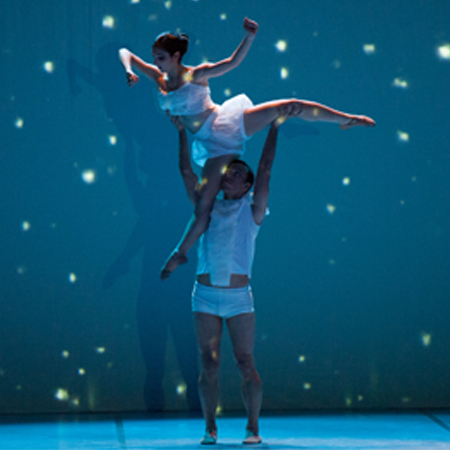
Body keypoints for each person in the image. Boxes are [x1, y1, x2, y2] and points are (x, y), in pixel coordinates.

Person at [118, 17, 376, 279]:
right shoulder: (159, 78)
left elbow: (231, 62)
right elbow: (125, 53)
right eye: (154, 57)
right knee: (203, 204)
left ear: (176, 56)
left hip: (224, 123)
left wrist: (249, 37)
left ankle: (346, 119)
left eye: (161, 58)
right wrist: (129, 70)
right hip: (212, 142)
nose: (156, 62)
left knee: (287, 105)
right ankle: (180, 252)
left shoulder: (195, 75)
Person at [167, 106, 292, 444]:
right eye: (227, 171)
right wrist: (181, 133)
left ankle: (253, 427)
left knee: (244, 362)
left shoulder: (253, 211)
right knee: (209, 364)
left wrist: (274, 127)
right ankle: (210, 427)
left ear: (247, 184)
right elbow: (185, 171)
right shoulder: (206, 207)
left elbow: (265, 169)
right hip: (205, 297)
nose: (228, 175)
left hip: (238, 299)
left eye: (236, 173)